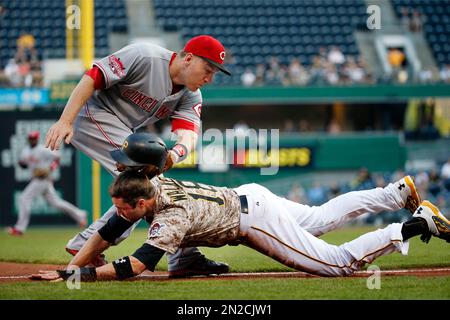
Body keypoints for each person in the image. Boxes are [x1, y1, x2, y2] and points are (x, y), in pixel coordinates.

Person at [33, 135, 450, 282]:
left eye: (123, 207)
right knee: (322, 217)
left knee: (338, 266)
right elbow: (107, 232)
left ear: (141, 201)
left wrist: (81, 275)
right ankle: (396, 192)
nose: (117, 213)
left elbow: (135, 266)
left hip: (251, 219)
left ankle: (414, 224)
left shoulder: (168, 218)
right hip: (248, 196)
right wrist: (68, 269)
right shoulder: (151, 182)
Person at [43, 35, 232, 277]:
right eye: (208, 69)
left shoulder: (190, 94)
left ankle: (181, 255)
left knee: (146, 187)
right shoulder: (145, 56)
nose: (209, 78)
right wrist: (65, 121)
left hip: (123, 130)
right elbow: (93, 76)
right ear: (188, 58)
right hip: (92, 115)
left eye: (214, 73)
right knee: (148, 186)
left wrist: (174, 154)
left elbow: (189, 136)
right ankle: (183, 256)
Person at [6, 131, 87, 236]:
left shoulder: (42, 149)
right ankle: (80, 215)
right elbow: (23, 165)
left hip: (43, 179)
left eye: (34, 138)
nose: (32, 140)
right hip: (37, 179)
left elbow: (58, 157)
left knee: (24, 198)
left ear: (37, 139)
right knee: (56, 203)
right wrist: (21, 164)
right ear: (28, 139)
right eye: (31, 138)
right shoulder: (25, 151)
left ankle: (19, 228)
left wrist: (50, 168)